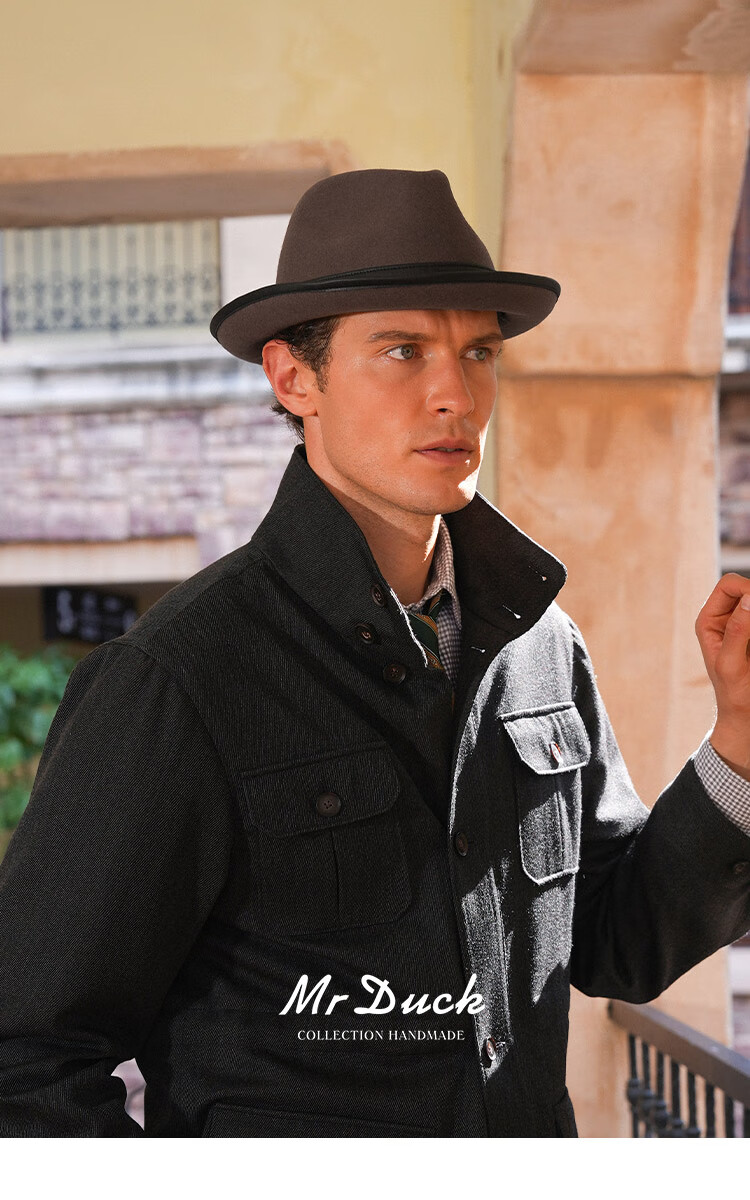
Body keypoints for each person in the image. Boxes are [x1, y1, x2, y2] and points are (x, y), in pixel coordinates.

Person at [1, 169, 749, 1139]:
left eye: (478, 352)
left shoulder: (539, 646)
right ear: (294, 379)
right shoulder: (178, 678)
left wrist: (738, 743)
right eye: (403, 351)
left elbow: (615, 941)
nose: (456, 395)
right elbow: (27, 1057)